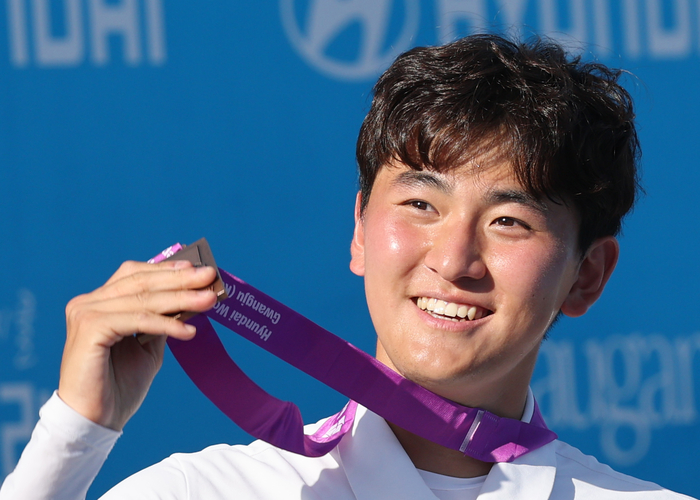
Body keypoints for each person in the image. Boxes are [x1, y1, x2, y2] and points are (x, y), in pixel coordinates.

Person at [0, 34, 693, 499]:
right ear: (359, 230)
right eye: (420, 204)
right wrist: (75, 434)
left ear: (587, 274)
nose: (453, 260)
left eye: (508, 221)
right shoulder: (202, 493)